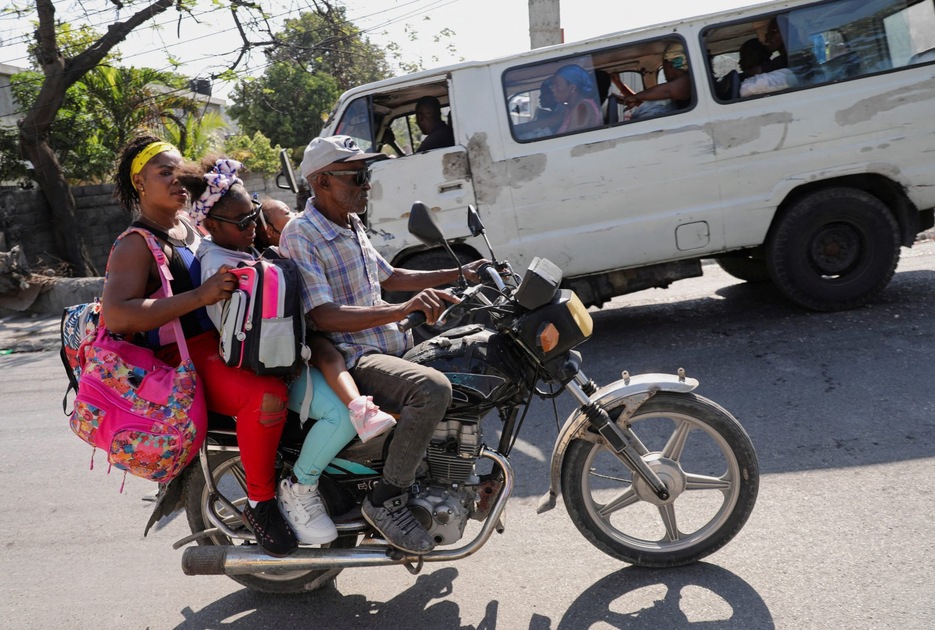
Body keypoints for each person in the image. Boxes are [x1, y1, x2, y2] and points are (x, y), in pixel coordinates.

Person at [279, 135, 489, 554]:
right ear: (322, 181)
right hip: (355, 358)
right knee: (431, 389)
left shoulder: (348, 222)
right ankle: (387, 501)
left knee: (475, 355)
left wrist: (461, 272)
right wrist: (399, 311)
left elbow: (389, 277)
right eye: (357, 176)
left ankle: (453, 474)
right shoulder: (302, 234)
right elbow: (323, 314)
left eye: (367, 174)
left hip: (387, 345)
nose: (366, 184)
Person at [185, 157, 395, 545]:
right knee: (340, 416)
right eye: (242, 222)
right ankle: (301, 488)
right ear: (211, 226)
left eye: (253, 216)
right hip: (269, 368)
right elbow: (251, 334)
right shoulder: (220, 267)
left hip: (291, 356)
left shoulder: (244, 251)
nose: (253, 228)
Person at [102, 137, 296, 558]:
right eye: (163, 174)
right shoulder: (135, 243)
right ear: (139, 182)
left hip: (226, 340)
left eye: (178, 171)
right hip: (184, 354)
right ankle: (261, 506)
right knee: (267, 397)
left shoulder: (188, 226)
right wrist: (200, 296)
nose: (177, 181)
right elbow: (116, 314)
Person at [618, 43, 692, 119]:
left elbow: (668, 90)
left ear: (670, 66)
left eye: (664, 66)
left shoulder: (689, 81)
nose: (665, 73)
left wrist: (636, 97)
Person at [550, 64, 602, 133]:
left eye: (557, 85)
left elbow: (573, 140)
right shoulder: (571, 108)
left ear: (572, 88)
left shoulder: (582, 108)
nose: (553, 90)